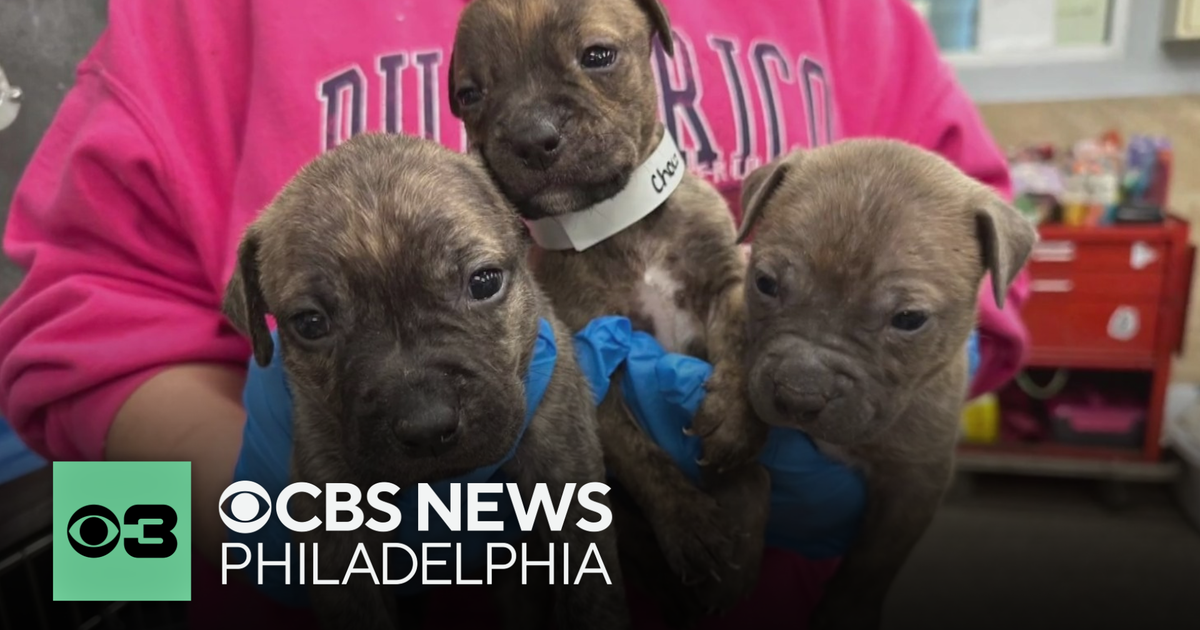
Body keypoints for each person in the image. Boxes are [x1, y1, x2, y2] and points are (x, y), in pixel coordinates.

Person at [0, 0, 1030, 627]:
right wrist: (255, 506)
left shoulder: (854, 13)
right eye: (480, 95)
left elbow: (989, 274)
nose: (532, 124)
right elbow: (65, 351)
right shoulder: (192, 14)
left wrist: (876, 461)